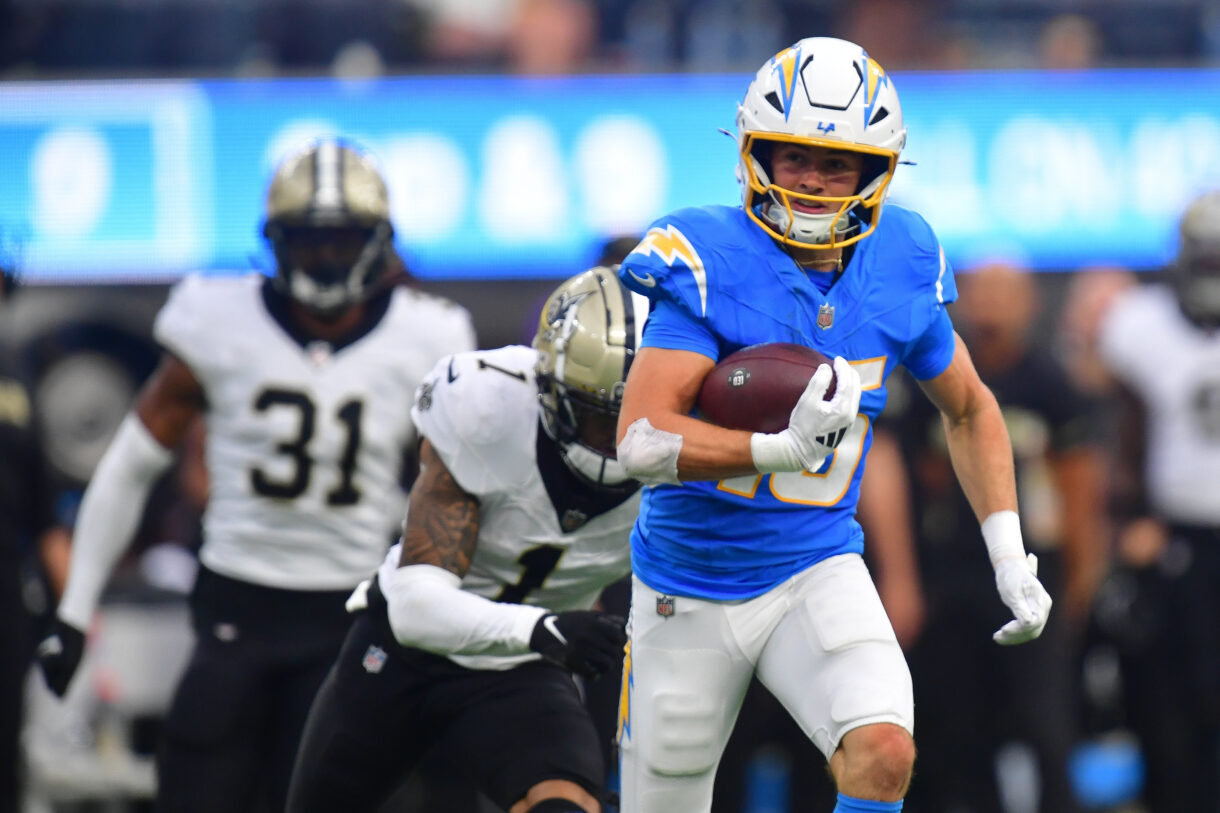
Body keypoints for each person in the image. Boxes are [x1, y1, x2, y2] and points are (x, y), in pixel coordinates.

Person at [613, 36, 1053, 813]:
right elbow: (641, 437)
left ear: (875, 173)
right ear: (756, 154)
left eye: (837, 163)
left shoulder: (903, 259)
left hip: (815, 565)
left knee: (884, 752)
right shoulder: (708, 256)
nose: (813, 180)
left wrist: (1008, 551)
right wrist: (771, 448)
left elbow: (970, 406)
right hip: (690, 580)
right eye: (794, 158)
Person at [34, 138, 477, 812]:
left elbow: (458, 495)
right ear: (275, 241)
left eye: (341, 240)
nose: (324, 258)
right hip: (234, 612)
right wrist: (74, 609)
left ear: (378, 243)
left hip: (350, 616)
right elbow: (130, 464)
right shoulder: (217, 318)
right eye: (307, 240)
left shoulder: (428, 336)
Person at [285, 265, 647, 813]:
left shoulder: (691, 460)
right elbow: (415, 607)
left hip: (521, 671)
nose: (616, 443)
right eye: (600, 418)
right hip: (404, 657)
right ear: (550, 388)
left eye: (633, 418)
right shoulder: (488, 405)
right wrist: (545, 628)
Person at [881, 261, 1108, 813]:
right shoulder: (932, 378)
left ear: (1032, 304)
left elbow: (1079, 484)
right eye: (982, 291)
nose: (992, 305)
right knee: (955, 725)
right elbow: (902, 477)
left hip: (1032, 569)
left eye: (1006, 293)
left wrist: (1081, 579)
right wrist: (906, 577)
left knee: (1044, 722)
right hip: (951, 571)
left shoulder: (1048, 382)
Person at [1094, 189, 1220, 813]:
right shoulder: (1140, 324)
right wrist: (1131, 517)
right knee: (1168, 700)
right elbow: (1120, 432)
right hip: (1172, 539)